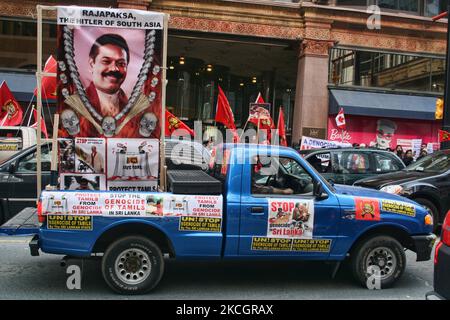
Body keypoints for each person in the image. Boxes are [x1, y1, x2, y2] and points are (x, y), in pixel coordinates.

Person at [61, 33, 158, 138]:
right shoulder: (74, 106)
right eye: (106, 61)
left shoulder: (136, 111)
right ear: (92, 63)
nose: (114, 69)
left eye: (121, 64)